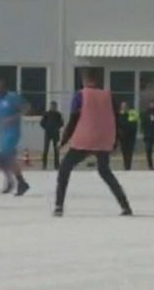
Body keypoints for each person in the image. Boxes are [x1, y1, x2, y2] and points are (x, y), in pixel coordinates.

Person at [53, 68, 132, 217]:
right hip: (104, 139)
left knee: (65, 169)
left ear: (84, 80)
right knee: (105, 171)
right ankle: (125, 205)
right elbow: (116, 119)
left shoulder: (81, 95)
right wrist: (115, 140)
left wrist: (63, 141)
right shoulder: (109, 96)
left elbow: (73, 121)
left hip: (85, 138)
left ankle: (59, 205)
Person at [0, 78, 29, 196]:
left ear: (3, 85)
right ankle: (10, 181)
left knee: (7, 157)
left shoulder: (12, 97)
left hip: (13, 132)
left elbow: (26, 108)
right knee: (0, 159)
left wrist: (13, 118)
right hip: (2, 132)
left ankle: (21, 183)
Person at [40, 101, 64, 170]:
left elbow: (62, 123)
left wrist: (57, 127)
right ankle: (44, 165)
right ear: (50, 106)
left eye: (55, 106)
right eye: (52, 106)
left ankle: (56, 165)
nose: (53, 107)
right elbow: (42, 123)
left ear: (56, 107)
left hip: (56, 134)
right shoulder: (46, 114)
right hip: (48, 133)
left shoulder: (58, 114)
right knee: (45, 149)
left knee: (56, 150)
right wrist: (46, 127)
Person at [118, 101, 139, 170]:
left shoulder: (132, 113)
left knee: (129, 151)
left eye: (125, 106)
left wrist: (124, 125)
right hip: (122, 136)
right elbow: (118, 124)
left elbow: (132, 124)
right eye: (122, 106)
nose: (123, 107)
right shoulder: (119, 114)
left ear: (128, 106)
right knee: (124, 151)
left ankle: (128, 166)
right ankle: (125, 164)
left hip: (130, 136)